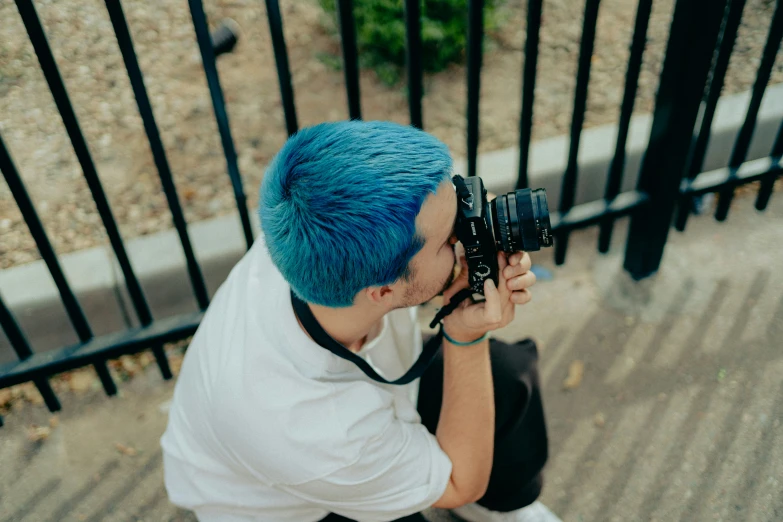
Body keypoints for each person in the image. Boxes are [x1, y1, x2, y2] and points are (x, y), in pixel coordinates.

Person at [161, 121, 560, 522]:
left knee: (509, 379)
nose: (463, 238)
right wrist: (465, 337)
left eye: (459, 198)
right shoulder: (317, 432)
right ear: (383, 291)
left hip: (342, 414)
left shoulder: (314, 225)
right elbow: (459, 483)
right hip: (291, 505)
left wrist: (480, 225)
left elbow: (428, 212)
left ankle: (501, 508)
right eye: (449, 240)